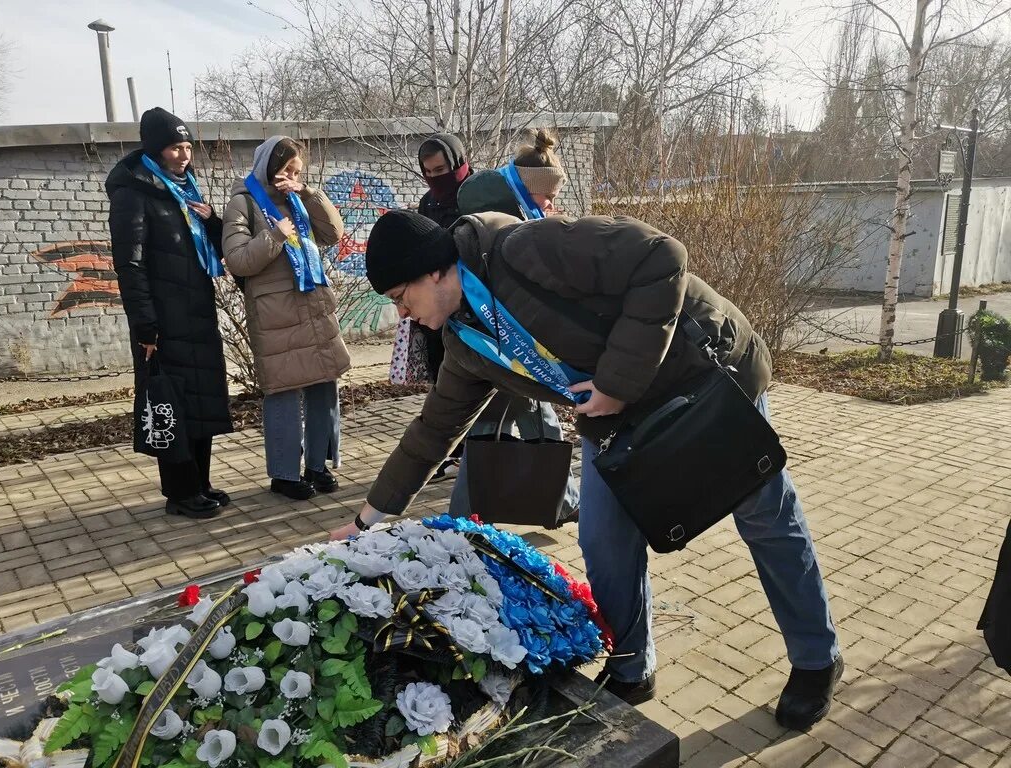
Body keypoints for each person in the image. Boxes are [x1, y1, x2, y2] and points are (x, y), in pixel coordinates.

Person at [330, 208, 844, 730]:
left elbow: (661, 256)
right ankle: (631, 668)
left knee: (765, 519)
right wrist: (367, 520)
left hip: (699, 377)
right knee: (602, 538)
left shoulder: (524, 250)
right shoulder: (466, 343)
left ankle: (816, 659)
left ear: (434, 270)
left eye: (401, 298)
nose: (404, 315)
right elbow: (432, 434)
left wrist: (617, 382)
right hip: (617, 418)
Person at [448, 128, 580, 522]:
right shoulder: (507, 220)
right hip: (505, 340)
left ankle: (564, 500)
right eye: (548, 195)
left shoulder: (521, 212)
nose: (552, 203)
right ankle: (463, 516)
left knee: (510, 423)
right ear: (527, 188)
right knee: (496, 425)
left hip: (509, 338)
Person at [107, 107, 233, 520]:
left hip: (195, 311)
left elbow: (212, 249)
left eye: (187, 147)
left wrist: (213, 219)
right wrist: (145, 324)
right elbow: (131, 264)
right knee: (173, 403)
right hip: (162, 321)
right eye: (175, 148)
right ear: (155, 150)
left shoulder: (186, 188)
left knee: (200, 400)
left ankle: (201, 481)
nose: (184, 155)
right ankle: (180, 492)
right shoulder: (134, 192)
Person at [222, 136, 350, 500]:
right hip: (275, 313)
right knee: (283, 392)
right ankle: (284, 474)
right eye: (285, 170)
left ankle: (317, 465)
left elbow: (332, 234)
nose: (290, 177)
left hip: (311, 305)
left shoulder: (298, 200)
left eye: (297, 171)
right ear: (267, 167)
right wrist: (274, 235)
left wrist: (308, 192)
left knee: (324, 384)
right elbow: (238, 260)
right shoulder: (243, 203)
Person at [411, 133, 473, 481]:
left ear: (458, 162)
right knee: (443, 381)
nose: (436, 178)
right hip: (438, 310)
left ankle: (476, 451)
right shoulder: (428, 203)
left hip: (475, 307)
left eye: (442, 170)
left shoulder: (478, 193)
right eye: (428, 172)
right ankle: (452, 453)